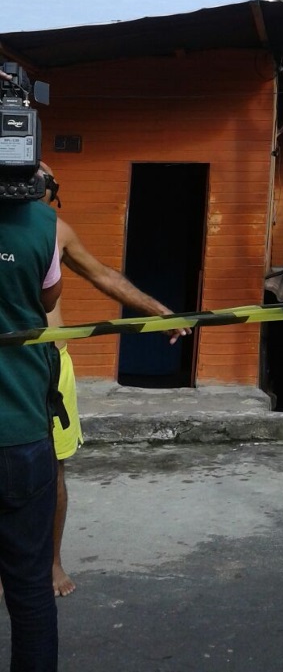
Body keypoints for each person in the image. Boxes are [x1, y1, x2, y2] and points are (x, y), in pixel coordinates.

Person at [39, 164, 187, 598]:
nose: (36, 186)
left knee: (52, 467)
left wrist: (159, 311)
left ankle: (51, 562)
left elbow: (103, 275)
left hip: (48, 362)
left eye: (45, 181)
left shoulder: (54, 230)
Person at [0, 183, 63, 671]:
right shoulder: (43, 225)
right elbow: (49, 297)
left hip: (23, 435)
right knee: (30, 592)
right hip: (21, 434)